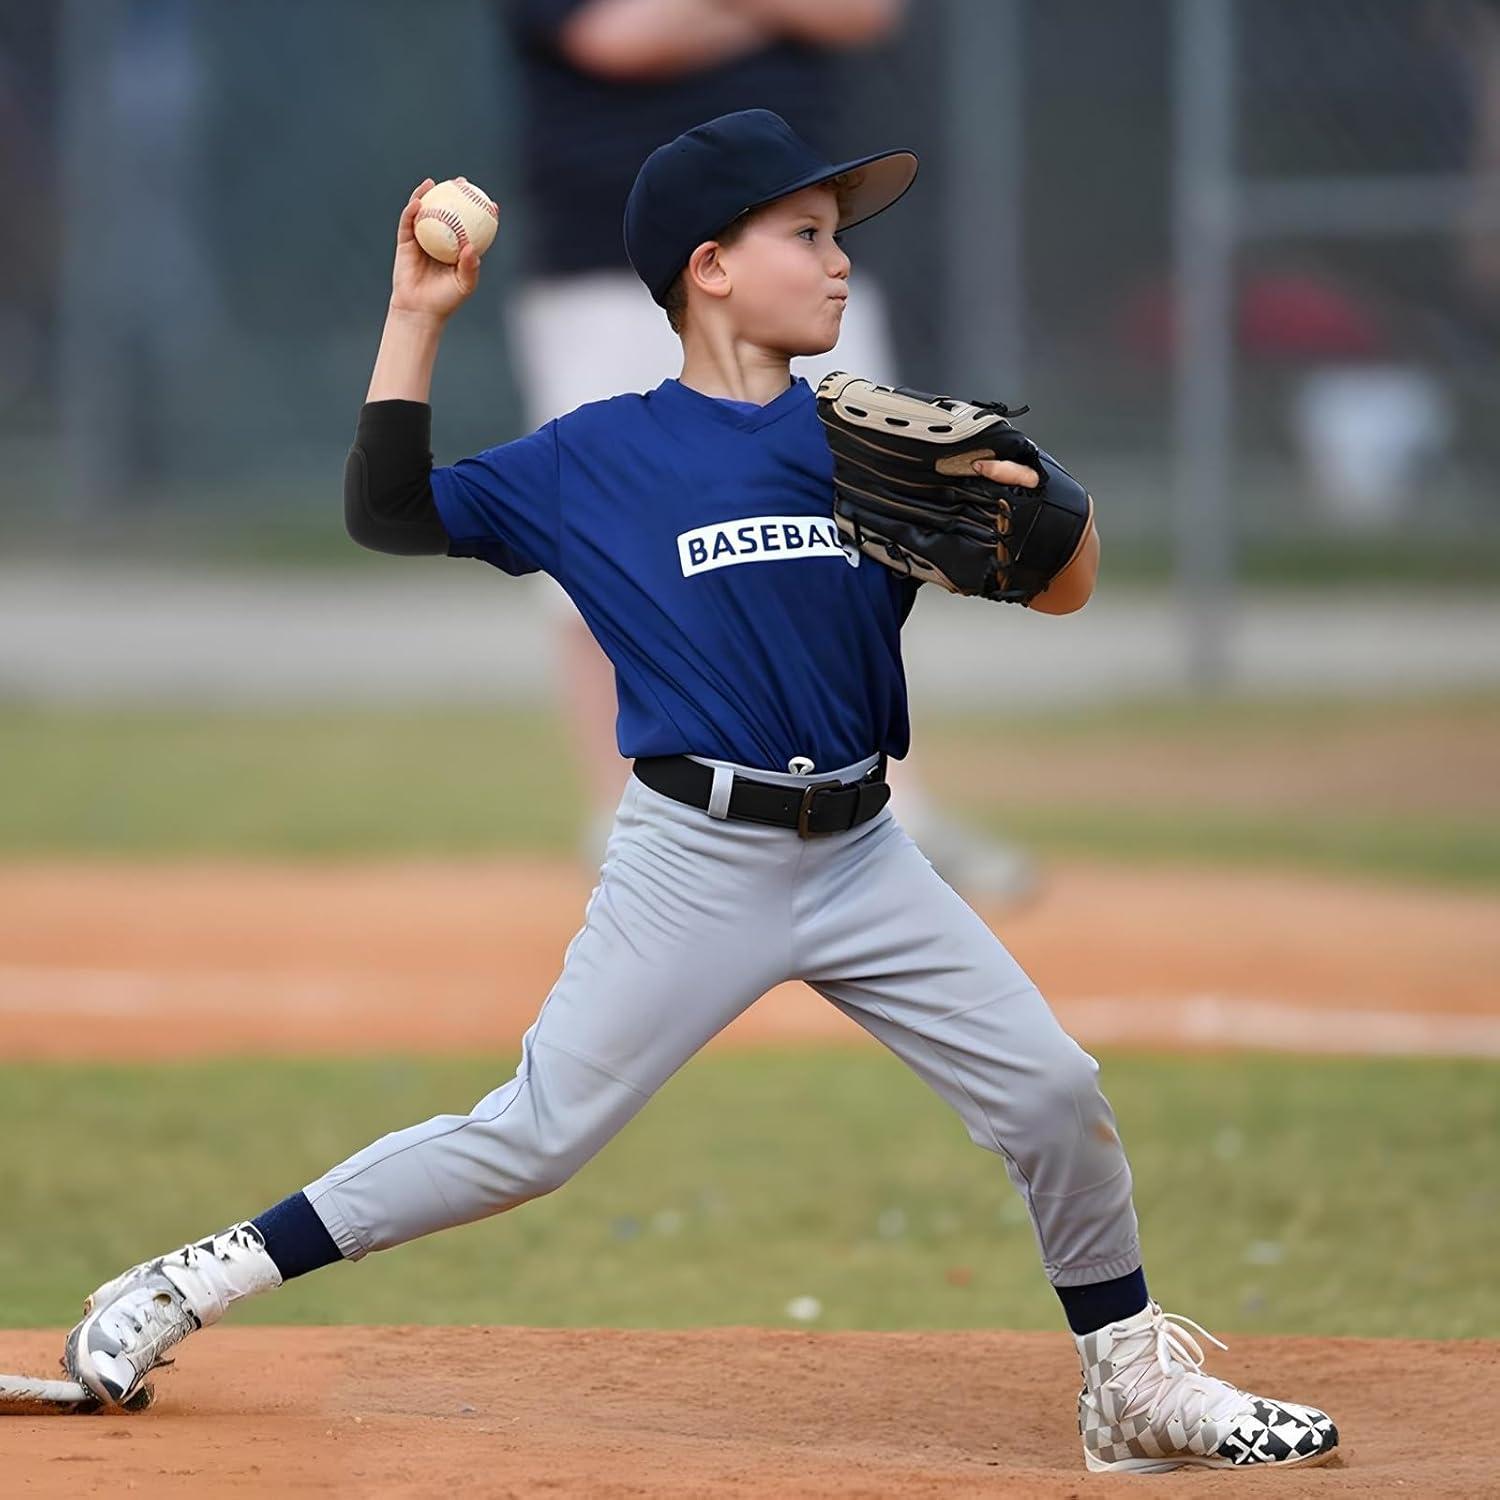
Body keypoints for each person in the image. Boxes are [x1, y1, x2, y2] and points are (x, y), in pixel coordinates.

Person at [63, 110, 1338, 1475]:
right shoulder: (596, 458)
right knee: (531, 1140)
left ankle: (1129, 1381)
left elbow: (1068, 590)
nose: (839, 264)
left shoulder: (875, 445)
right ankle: (186, 1282)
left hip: (865, 855)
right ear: (710, 267)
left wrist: (1035, 506)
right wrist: (417, 314)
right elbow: (390, 510)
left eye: (839, 238)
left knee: (1050, 1090)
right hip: (693, 860)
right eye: (807, 234)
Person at [505, 0, 1038, 902]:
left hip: (798, 243)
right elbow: (615, 37)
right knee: (596, 530)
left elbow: (861, 13)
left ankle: (886, 803)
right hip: (607, 255)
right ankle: (622, 814)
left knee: (857, 521)